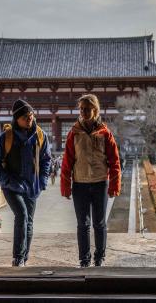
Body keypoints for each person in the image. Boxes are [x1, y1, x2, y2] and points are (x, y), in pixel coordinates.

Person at [60, 94, 121, 268]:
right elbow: (67, 161)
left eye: (87, 109)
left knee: (99, 223)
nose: (84, 112)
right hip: (80, 183)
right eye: (81, 109)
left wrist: (114, 185)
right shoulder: (74, 133)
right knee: (82, 224)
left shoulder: (104, 133)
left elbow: (114, 161)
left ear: (95, 110)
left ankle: (99, 257)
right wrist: (66, 186)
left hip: (100, 182)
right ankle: (84, 259)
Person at [0, 99, 51, 267]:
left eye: (31, 115)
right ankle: (17, 257)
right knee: (22, 215)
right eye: (25, 117)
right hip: (12, 185)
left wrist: (43, 180)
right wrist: (6, 179)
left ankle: (25, 257)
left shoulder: (40, 135)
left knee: (29, 221)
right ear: (16, 119)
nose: (29, 119)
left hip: (32, 185)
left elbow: (46, 159)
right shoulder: (6, 137)